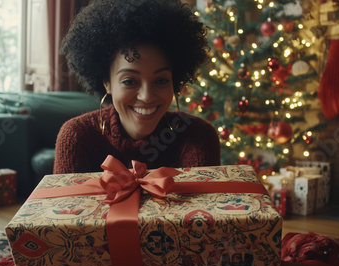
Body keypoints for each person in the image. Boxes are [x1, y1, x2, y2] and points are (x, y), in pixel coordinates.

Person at [54, 0, 221, 174]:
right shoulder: (77, 137)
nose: (147, 96)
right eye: (130, 81)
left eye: (161, 80)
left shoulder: (197, 136)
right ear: (106, 82)